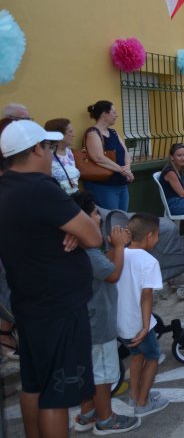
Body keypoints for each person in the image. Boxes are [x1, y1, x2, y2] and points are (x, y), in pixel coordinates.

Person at [0, 119, 102, 438]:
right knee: (57, 396)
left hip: (28, 303)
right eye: (47, 147)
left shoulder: (6, 186)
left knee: (33, 384)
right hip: (60, 306)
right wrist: (75, 228)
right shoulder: (41, 189)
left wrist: (68, 228)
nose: (51, 153)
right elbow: (94, 236)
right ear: (35, 150)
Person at [72, 192, 141, 434]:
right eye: (94, 214)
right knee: (103, 375)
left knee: (89, 370)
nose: (99, 218)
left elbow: (106, 265)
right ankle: (106, 419)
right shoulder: (88, 253)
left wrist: (114, 248)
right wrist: (120, 247)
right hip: (98, 325)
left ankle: (87, 413)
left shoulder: (77, 248)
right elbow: (112, 274)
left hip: (84, 323)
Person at [118, 213, 170, 417]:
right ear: (150, 235)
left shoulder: (120, 254)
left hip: (121, 323)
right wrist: (146, 325)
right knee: (153, 357)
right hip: (138, 323)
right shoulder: (149, 261)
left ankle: (134, 394)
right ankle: (143, 402)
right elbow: (146, 296)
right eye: (157, 236)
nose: (157, 240)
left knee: (136, 356)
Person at [83, 100, 133, 211]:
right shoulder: (93, 132)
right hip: (104, 186)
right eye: (114, 112)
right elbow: (98, 158)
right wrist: (123, 171)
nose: (117, 115)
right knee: (111, 220)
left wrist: (128, 167)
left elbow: (125, 153)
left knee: (122, 218)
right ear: (104, 114)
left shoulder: (114, 132)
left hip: (121, 184)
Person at [159, 143, 184, 215]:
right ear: (172, 157)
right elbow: (182, 194)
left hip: (180, 200)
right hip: (173, 204)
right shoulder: (170, 172)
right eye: (179, 155)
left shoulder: (179, 169)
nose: (183, 158)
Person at [44, 118, 80, 195]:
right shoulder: (46, 154)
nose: (73, 135)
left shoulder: (68, 151)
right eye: (70, 132)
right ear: (59, 135)